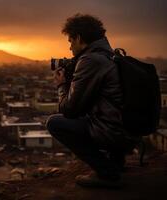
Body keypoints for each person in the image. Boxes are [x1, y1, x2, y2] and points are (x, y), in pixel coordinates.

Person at [46, 14, 136, 188]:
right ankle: (117, 162)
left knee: (54, 123)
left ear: (79, 38)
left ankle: (107, 172)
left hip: (113, 132)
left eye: (71, 41)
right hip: (127, 130)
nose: (70, 48)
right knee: (94, 117)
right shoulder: (110, 54)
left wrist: (61, 85)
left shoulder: (90, 60)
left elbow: (69, 110)